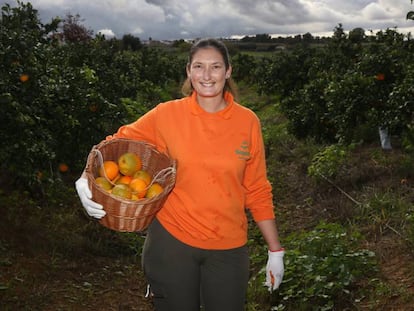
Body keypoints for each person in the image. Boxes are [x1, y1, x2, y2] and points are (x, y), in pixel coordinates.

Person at [75, 38, 284, 311]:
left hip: (229, 246)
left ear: (228, 71)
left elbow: (256, 188)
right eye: (199, 66)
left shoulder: (248, 122)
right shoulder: (167, 115)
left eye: (215, 67)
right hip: (172, 243)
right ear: (188, 71)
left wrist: (275, 250)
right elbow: (115, 144)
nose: (206, 75)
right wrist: (84, 178)